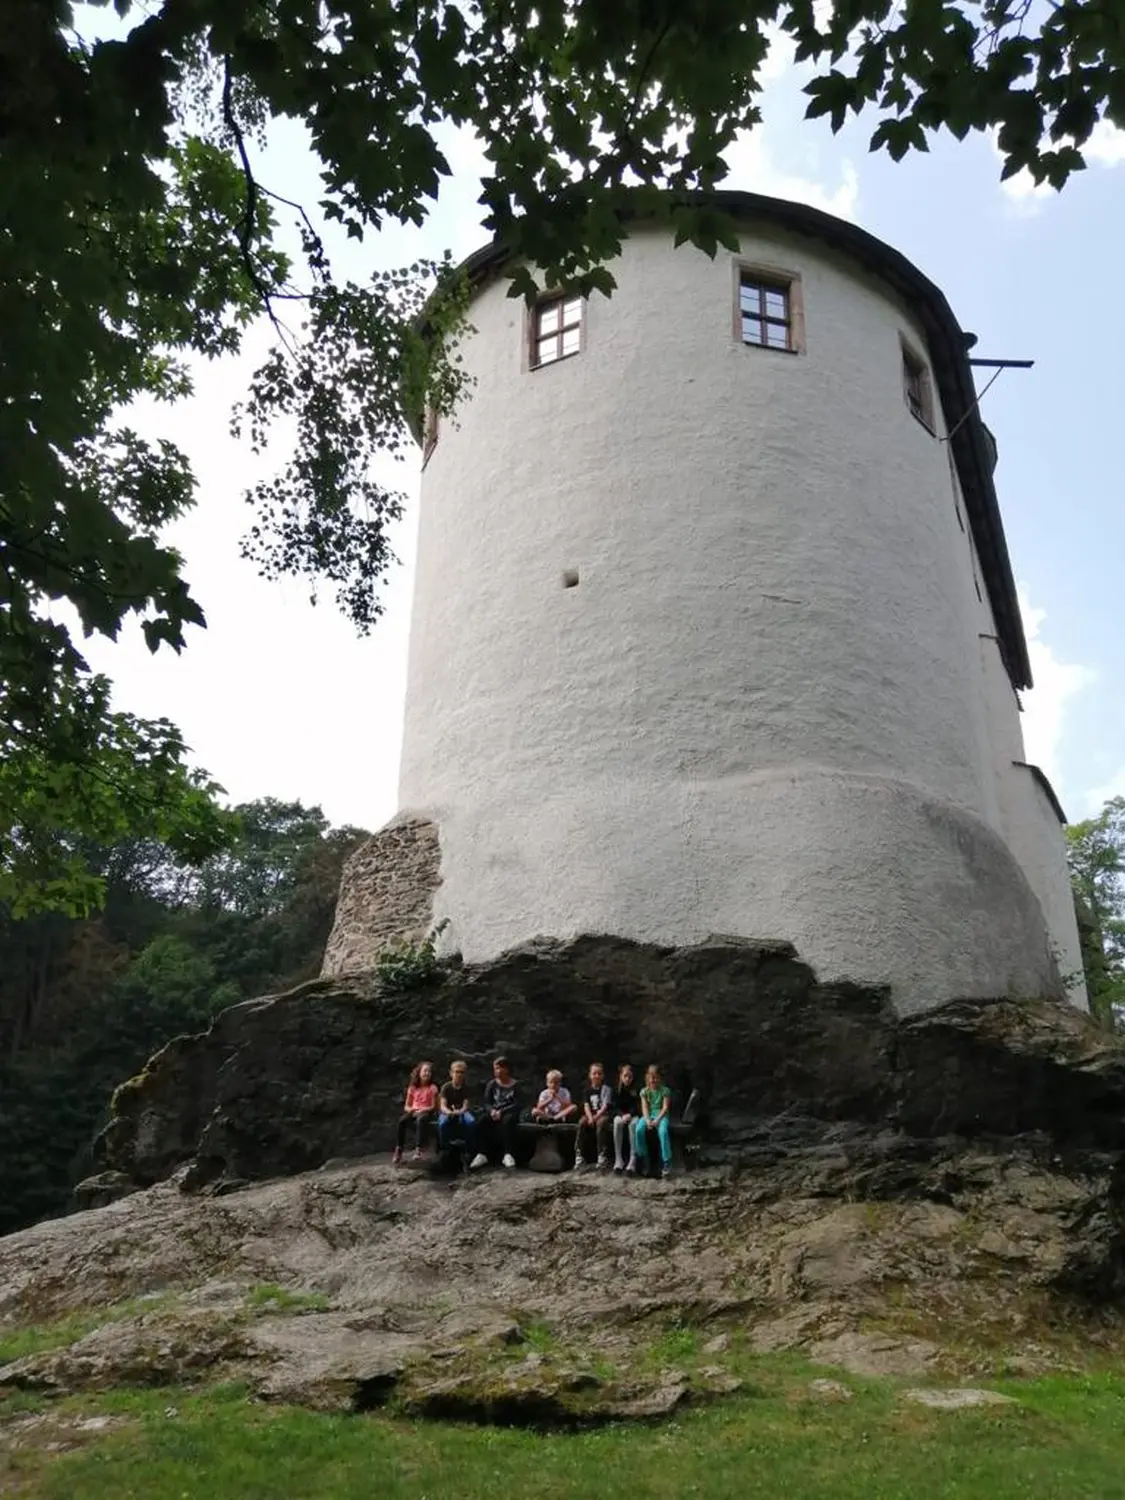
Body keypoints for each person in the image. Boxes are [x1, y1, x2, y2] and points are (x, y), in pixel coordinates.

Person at [477, 1056, 522, 1169]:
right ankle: (482, 1154)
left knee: (507, 1122)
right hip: (494, 1111)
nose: (496, 1071)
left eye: (498, 1068)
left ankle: (508, 1154)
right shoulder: (491, 1084)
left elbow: (517, 1104)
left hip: (509, 1112)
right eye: (495, 1068)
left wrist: (501, 1111)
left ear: (505, 1069)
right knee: (482, 1120)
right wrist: (492, 1110)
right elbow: (486, 1102)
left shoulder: (515, 1085)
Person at [630, 1063, 673, 1178]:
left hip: (661, 1115)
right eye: (651, 1077)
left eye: (655, 1077)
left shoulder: (665, 1091)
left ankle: (666, 1161)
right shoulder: (645, 1091)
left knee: (663, 1132)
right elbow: (644, 1107)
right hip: (649, 1115)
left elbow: (665, 1108)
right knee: (639, 1129)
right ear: (647, 1078)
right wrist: (648, 1120)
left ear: (660, 1078)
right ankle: (643, 1158)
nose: (653, 1080)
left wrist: (657, 1120)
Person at [393, 1060, 440, 1163]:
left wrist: (424, 1109)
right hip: (414, 1111)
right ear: (419, 1072)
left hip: (426, 1111)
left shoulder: (432, 1088)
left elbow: (433, 1106)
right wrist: (412, 1109)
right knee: (401, 1121)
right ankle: (399, 1149)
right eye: (425, 1071)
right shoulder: (413, 1088)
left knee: (421, 1119)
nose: (427, 1073)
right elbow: (407, 1106)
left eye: (429, 1071)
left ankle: (419, 1149)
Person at [574, 1062, 613, 1172]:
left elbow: (605, 1106)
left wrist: (596, 1117)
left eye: (599, 1073)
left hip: (602, 1115)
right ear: (590, 1075)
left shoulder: (606, 1089)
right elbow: (586, 1105)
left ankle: (602, 1155)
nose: (597, 1076)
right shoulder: (587, 1090)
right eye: (594, 1073)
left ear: (603, 1075)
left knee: (601, 1124)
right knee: (581, 1123)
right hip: (589, 1114)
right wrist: (590, 1117)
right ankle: (579, 1155)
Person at [438, 1059, 479, 1164]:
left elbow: (465, 1105)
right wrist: (449, 1112)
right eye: (457, 1072)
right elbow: (442, 1105)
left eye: (462, 1072)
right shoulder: (446, 1087)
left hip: (462, 1111)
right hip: (448, 1111)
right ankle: (444, 1148)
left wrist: (460, 1112)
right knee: (442, 1124)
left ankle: (470, 1150)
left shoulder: (466, 1088)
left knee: (471, 1122)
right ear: (451, 1073)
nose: (459, 1075)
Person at [612, 1063, 640, 1173]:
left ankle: (632, 1159)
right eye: (625, 1076)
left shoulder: (636, 1089)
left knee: (633, 1125)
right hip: (620, 1115)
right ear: (621, 1076)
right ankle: (618, 1159)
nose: (628, 1079)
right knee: (617, 1123)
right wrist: (621, 1115)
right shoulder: (616, 1090)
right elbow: (614, 1107)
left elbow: (637, 1106)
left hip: (633, 1115)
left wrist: (630, 1114)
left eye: (630, 1076)